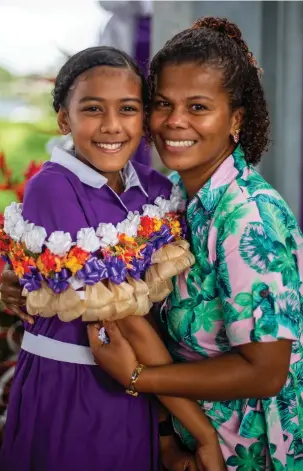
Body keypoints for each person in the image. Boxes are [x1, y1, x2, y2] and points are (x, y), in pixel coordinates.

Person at [87, 18, 303, 471]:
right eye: (163, 103)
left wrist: (135, 378)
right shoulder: (173, 196)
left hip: (252, 453)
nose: (175, 121)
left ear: (236, 119)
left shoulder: (247, 219)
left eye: (198, 106)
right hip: (194, 444)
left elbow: (266, 372)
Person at [0, 46, 224, 471]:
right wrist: (201, 431)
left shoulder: (157, 190)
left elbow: (156, 313)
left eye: (128, 109)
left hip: (137, 394)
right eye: (93, 109)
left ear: (144, 117)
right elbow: (119, 317)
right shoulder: (53, 187)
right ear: (64, 118)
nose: (112, 126)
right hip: (68, 388)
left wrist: (163, 430)